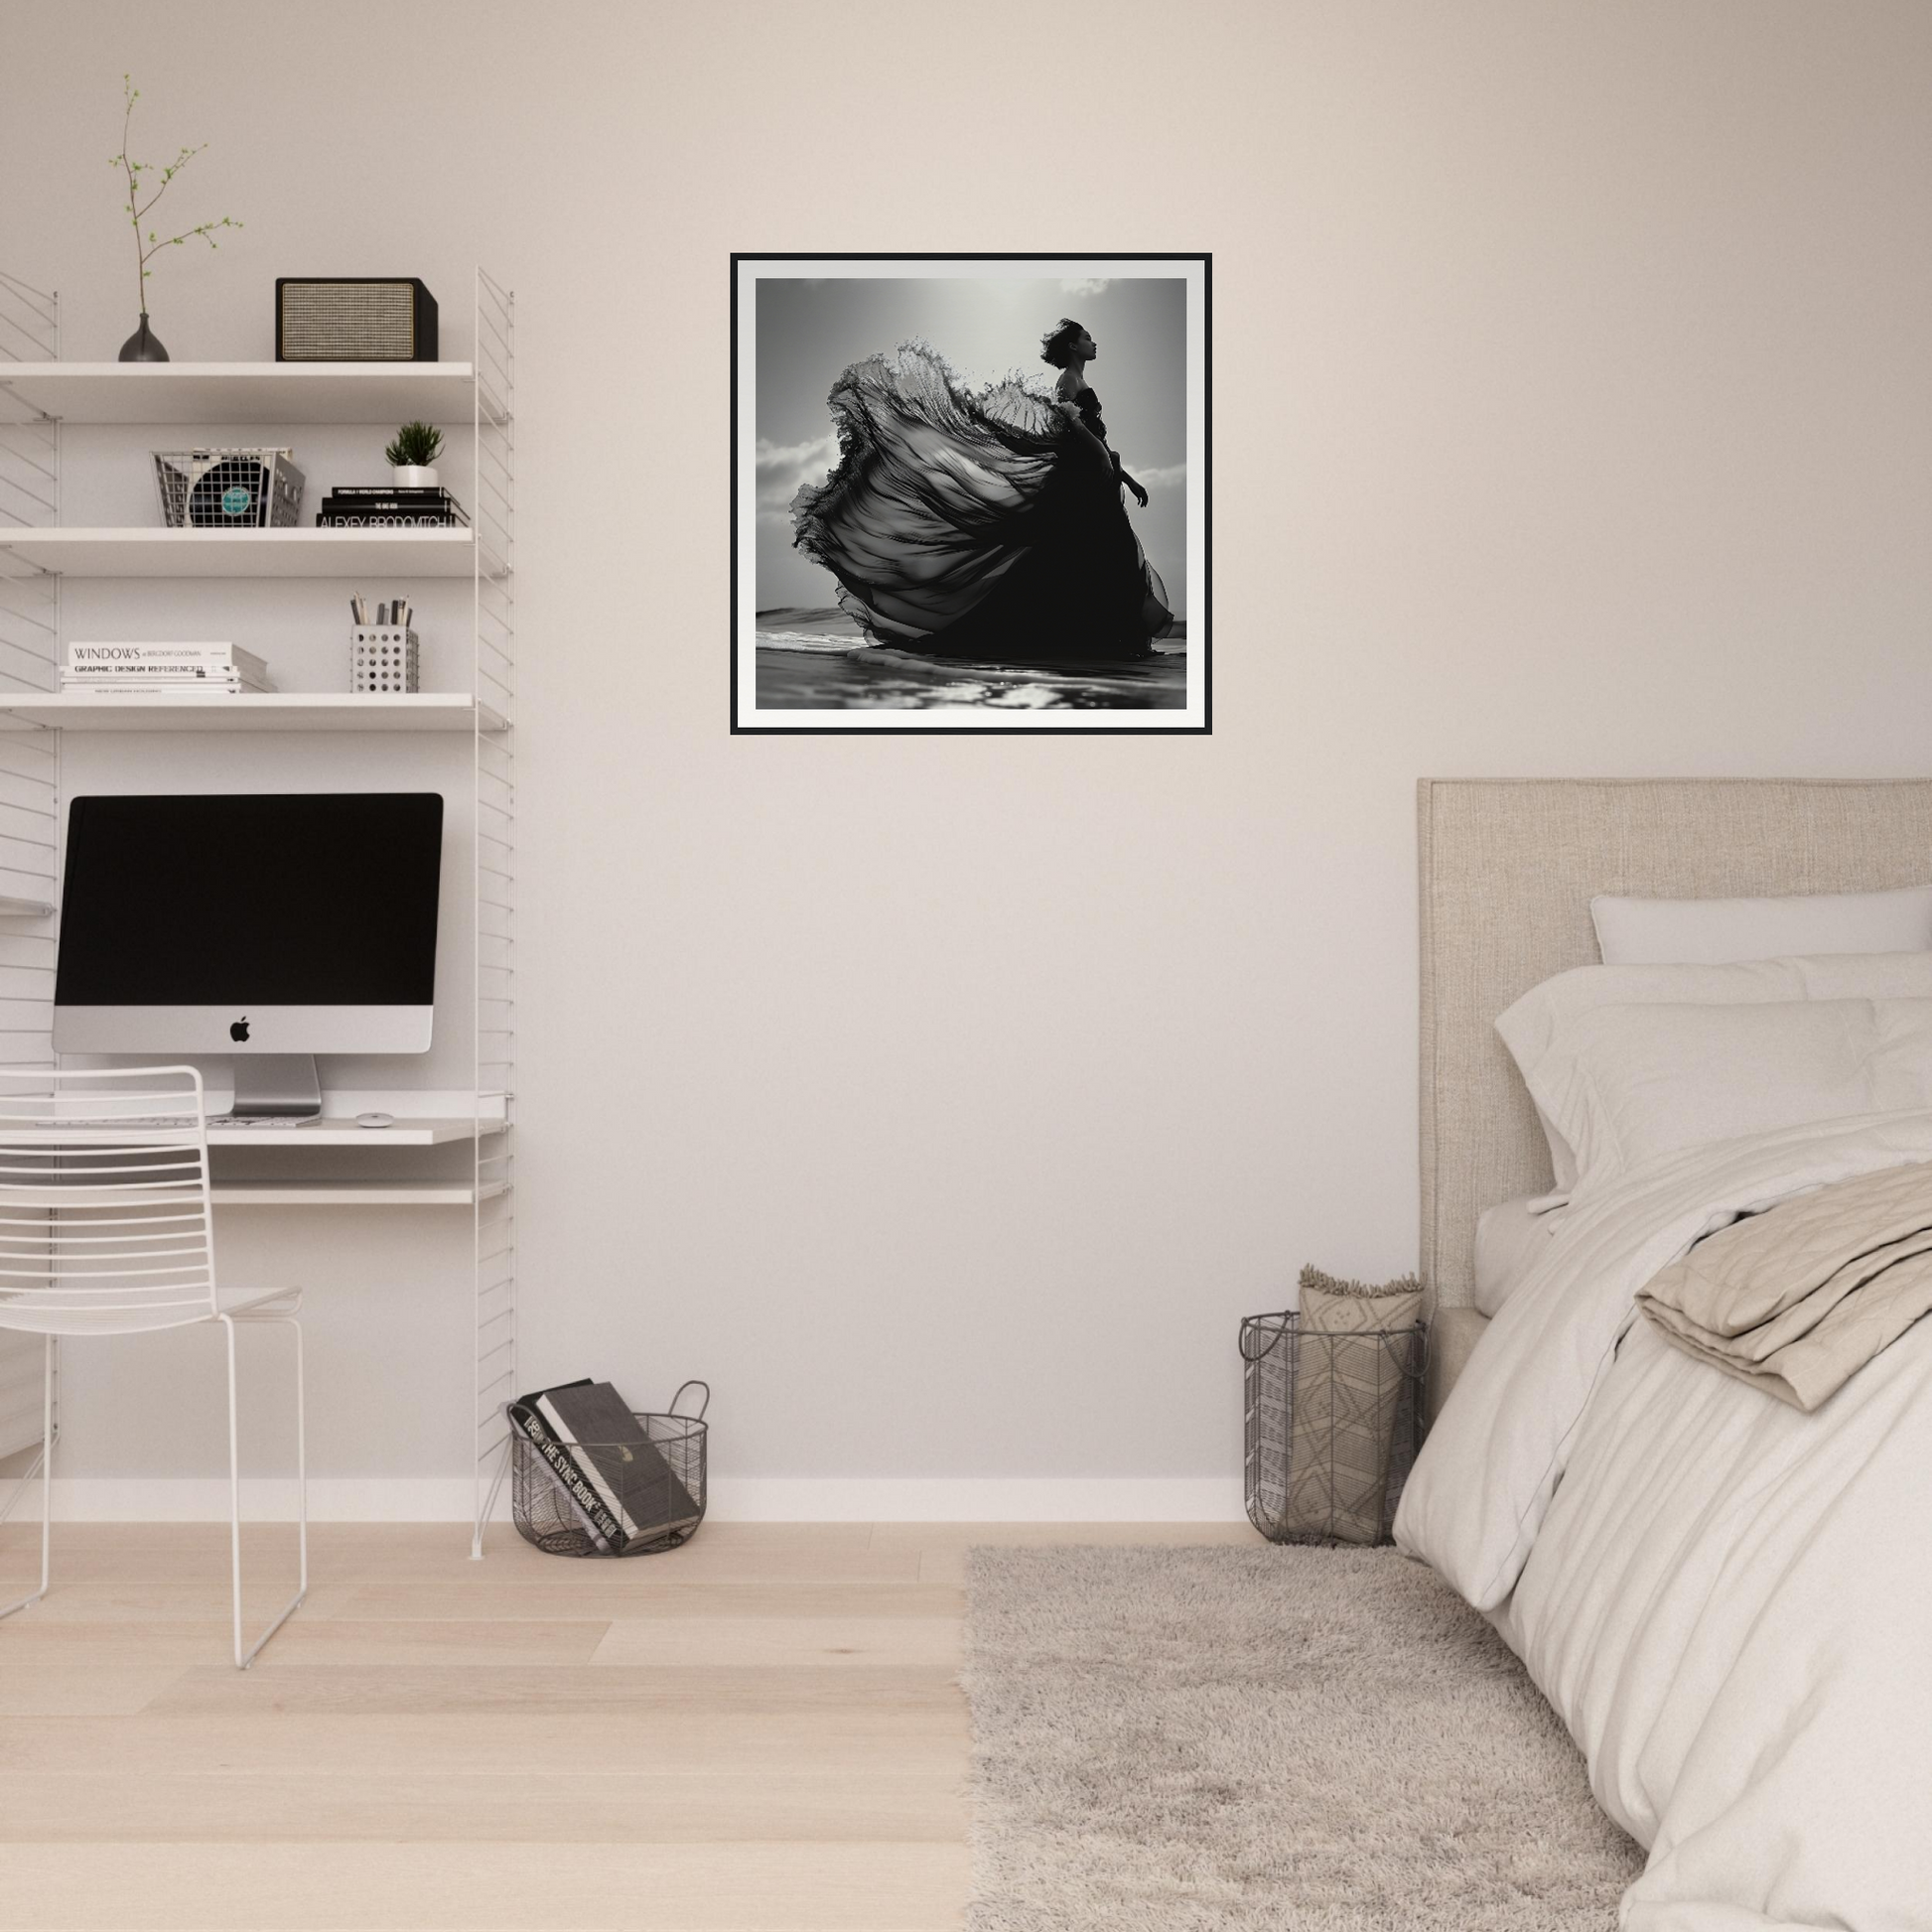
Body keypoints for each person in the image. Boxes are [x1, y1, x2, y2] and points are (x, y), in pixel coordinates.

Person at [790, 320, 1173, 664]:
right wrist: (1105, 463)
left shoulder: (1079, 382)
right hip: (1089, 479)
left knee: (1099, 557)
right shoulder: (1068, 383)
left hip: (1100, 476)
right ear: (1073, 346)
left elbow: (1098, 441)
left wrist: (1125, 476)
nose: (1094, 341)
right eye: (1087, 337)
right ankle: (1093, 644)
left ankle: (1098, 641)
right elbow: (1077, 432)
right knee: (1101, 556)